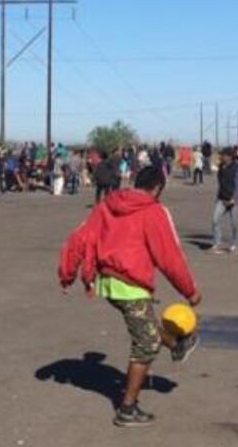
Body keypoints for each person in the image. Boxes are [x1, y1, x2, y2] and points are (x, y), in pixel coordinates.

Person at [58, 166, 202, 428]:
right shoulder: (153, 211)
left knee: (143, 324)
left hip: (108, 283)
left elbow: (80, 237)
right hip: (131, 284)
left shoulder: (108, 203)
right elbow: (169, 257)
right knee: (145, 343)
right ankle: (127, 408)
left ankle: (177, 345)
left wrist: (67, 273)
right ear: (158, 188)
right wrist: (190, 291)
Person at [210, 148, 238, 254]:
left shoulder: (236, 168)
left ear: (229, 156)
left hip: (233, 200)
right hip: (222, 198)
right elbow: (220, 183)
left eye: (223, 155)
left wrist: (234, 199)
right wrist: (218, 196)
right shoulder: (221, 167)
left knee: (234, 224)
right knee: (215, 220)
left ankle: (234, 245)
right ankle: (216, 244)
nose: (221, 157)